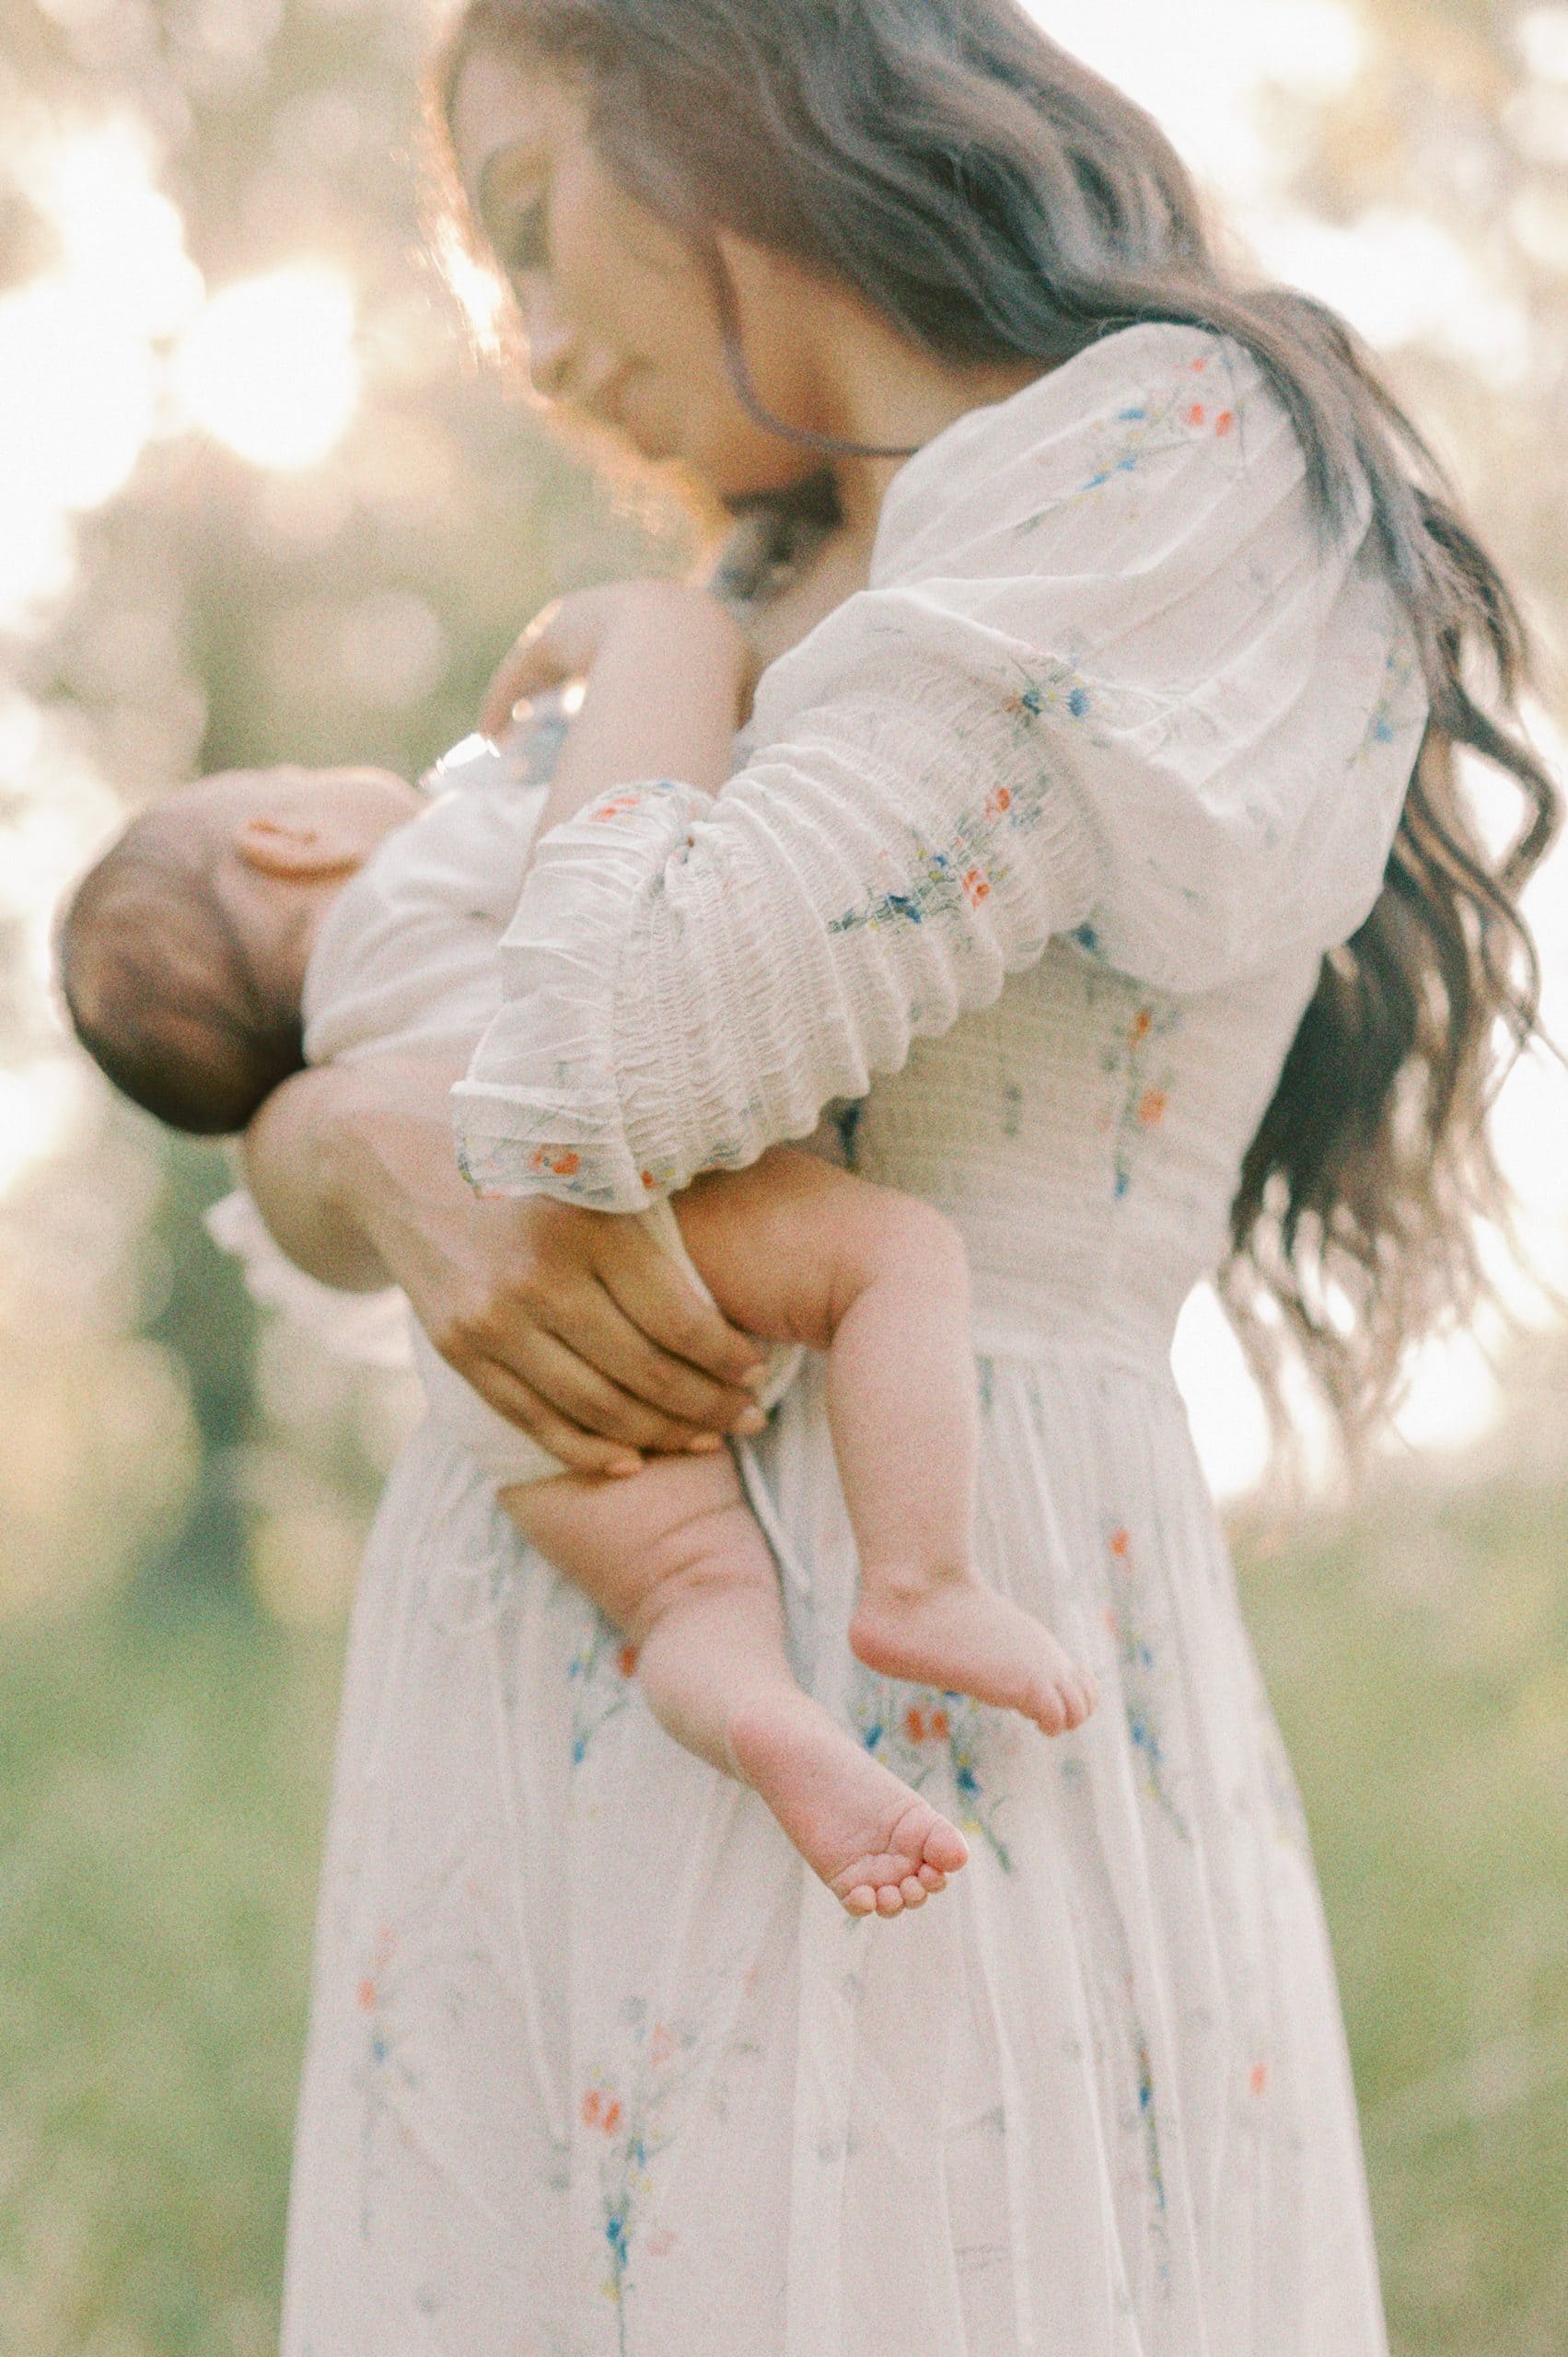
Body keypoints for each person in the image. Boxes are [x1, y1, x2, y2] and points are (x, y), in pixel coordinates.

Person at [233, 1, 1557, 2349]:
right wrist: (342, 1140)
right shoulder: (740, 605)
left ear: (733, 83)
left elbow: (610, 1067)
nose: (534, 349)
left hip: (923, 1624)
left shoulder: (1164, 462)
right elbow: (390, 1055)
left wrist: (622, 686)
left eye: (536, 230)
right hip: (541, 1672)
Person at [60, 744, 1097, 1915]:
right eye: (303, 771)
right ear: (289, 839)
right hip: (604, 1206)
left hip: (494, 1365)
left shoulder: (342, 1035)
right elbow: (616, 864)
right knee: (894, 1261)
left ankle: (758, 1715)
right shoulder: (431, 855)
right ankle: (918, 1580)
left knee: (685, 1597)